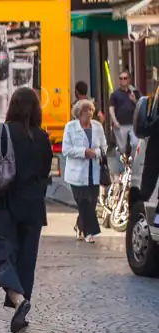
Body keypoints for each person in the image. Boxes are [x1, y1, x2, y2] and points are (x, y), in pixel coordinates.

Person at [0, 87, 53, 333]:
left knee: (4, 255)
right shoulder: (42, 137)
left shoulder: (0, 131)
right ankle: (22, 303)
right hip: (32, 208)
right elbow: (45, 172)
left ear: (13, 106)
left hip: (3, 204)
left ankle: (19, 302)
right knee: (25, 261)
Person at [64, 99, 108, 244]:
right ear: (78, 113)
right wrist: (84, 152)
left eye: (90, 110)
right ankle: (90, 232)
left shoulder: (98, 127)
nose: (88, 113)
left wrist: (96, 152)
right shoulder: (70, 127)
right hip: (76, 173)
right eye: (85, 110)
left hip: (93, 171)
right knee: (83, 202)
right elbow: (66, 150)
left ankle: (79, 226)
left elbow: (104, 147)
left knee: (92, 202)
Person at [109, 71, 141, 157]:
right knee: (121, 148)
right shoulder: (115, 94)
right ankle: (122, 168)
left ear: (129, 80)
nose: (123, 80)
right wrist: (115, 121)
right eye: (121, 78)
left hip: (133, 123)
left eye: (125, 78)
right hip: (120, 124)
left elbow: (140, 106)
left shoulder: (135, 93)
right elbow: (111, 109)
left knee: (135, 144)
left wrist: (134, 100)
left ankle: (132, 165)